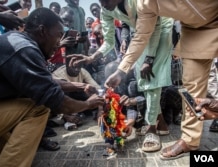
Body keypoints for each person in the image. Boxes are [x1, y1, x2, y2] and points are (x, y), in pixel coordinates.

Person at [0, 7, 104, 167]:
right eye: (59, 35)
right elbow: (58, 102)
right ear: (43, 31)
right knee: (39, 108)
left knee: (10, 154)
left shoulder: (20, 42)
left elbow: (46, 81)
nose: (60, 42)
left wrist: (82, 86)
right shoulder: (22, 49)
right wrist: (89, 104)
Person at [98, 0, 218, 161]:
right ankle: (190, 140)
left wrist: (149, 59)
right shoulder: (143, 5)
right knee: (191, 88)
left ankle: (157, 126)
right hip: (193, 30)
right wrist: (121, 71)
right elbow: (141, 36)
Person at [71, 0, 172, 152]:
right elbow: (109, 41)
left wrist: (149, 59)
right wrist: (92, 57)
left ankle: (151, 129)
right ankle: (161, 124)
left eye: (106, 0)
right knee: (143, 80)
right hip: (140, 35)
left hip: (161, 28)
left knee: (151, 77)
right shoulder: (106, 10)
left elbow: (153, 29)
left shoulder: (140, 2)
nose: (103, 5)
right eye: (100, 1)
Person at [52, 55, 101, 129]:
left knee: (90, 91)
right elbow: (54, 98)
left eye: (79, 67)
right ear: (67, 65)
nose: (77, 70)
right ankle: (69, 116)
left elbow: (98, 90)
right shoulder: (57, 74)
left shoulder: (83, 72)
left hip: (77, 100)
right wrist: (65, 116)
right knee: (64, 92)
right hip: (64, 102)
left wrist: (101, 110)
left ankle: (81, 111)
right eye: (74, 67)